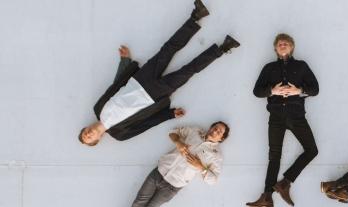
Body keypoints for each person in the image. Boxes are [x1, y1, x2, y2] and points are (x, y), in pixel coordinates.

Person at [79, 0, 239, 146]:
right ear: (97, 140)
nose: (88, 134)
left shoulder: (98, 108)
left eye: (85, 133)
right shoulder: (119, 134)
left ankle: (196, 16)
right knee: (188, 70)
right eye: (89, 138)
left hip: (139, 80)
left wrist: (125, 62)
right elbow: (146, 125)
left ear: (86, 127)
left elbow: (115, 86)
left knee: (167, 49)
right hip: (152, 96)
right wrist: (168, 115)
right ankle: (223, 48)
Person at [103, 121, 229, 207]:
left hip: (173, 186)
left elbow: (213, 180)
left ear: (221, 138)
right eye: (215, 127)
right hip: (159, 172)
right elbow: (173, 132)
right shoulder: (195, 131)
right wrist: (178, 143)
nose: (215, 131)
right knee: (137, 206)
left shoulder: (216, 155)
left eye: (219, 132)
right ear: (211, 127)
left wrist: (200, 167)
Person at [246, 33, 319, 207]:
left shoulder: (301, 66)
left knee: (312, 150)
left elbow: (315, 89)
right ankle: (267, 196)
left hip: (296, 115)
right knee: (274, 156)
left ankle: (285, 183)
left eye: (286, 43)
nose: (283, 45)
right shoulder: (269, 68)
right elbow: (257, 91)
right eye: (280, 43)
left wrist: (298, 91)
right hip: (276, 116)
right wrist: (272, 91)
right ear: (275, 48)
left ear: (292, 47)